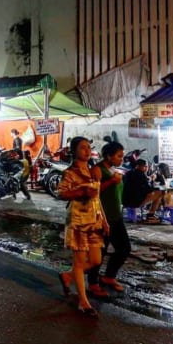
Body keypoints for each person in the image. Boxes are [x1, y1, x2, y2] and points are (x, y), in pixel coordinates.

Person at [57, 136, 108, 318]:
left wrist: (104, 220)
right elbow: (61, 193)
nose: (87, 151)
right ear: (74, 151)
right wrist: (81, 191)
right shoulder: (70, 173)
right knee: (79, 262)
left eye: (88, 147)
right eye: (83, 148)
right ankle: (83, 301)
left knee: (95, 260)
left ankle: (69, 276)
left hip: (94, 222)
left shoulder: (93, 171)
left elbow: (97, 198)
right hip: (77, 221)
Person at [87, 141, 130, 298]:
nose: (121, 159)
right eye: (119, 156)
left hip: (116, 217)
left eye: (122, 156)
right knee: (100, 252)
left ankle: (109, 276)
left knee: (124, 248)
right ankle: (92, 284)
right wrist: (112, 181)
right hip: (101, 218)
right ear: (108, 156)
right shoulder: (97, 170)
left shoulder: (113, 170)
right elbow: (92, 192)